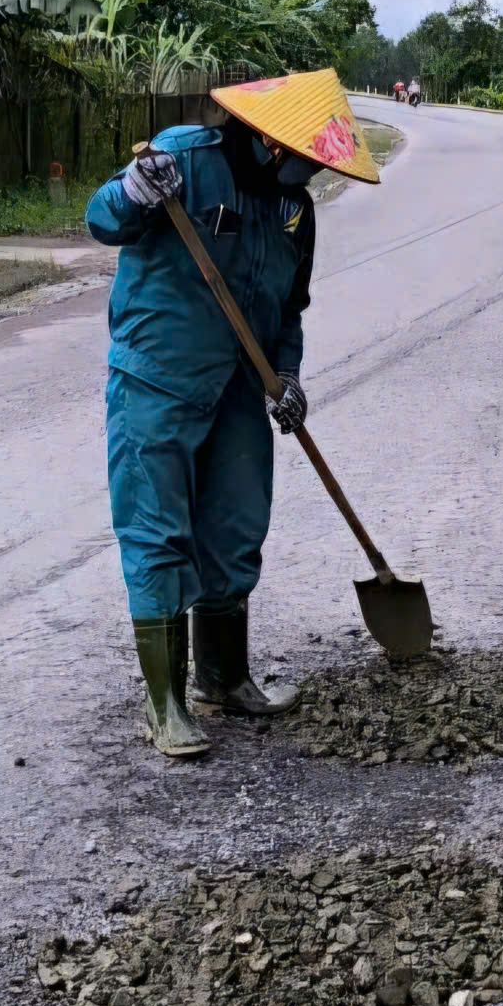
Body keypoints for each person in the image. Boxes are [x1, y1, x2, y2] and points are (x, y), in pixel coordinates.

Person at [85, 68, 382, 757]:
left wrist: (286, 374)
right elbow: (103, 219)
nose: (314, 173)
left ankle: (223, 678)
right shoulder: (183, 159)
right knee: (158, 535)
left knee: (236, 525)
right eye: (311, 159)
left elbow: (290, 310)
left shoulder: (295, 213)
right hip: (157, 384)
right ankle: (164, 705)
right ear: (273, 143)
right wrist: (133, 192)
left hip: (240, 393)